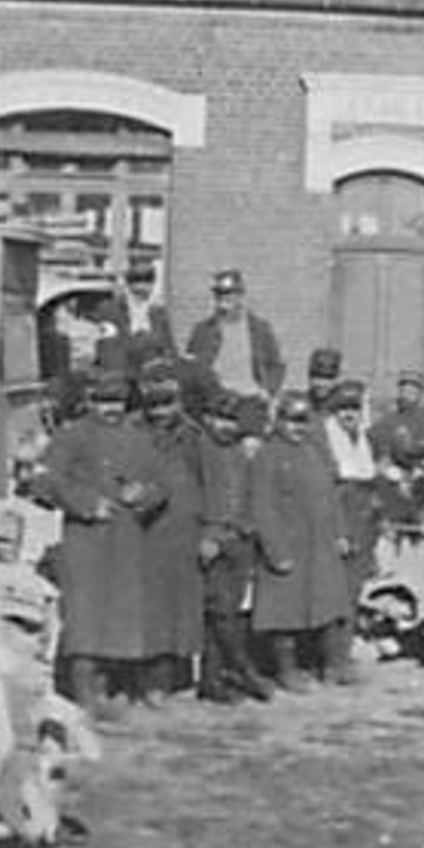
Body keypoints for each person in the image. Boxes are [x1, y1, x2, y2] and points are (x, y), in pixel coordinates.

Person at [41, 368, 167, 721]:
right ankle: (84, 693)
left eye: (117, 402)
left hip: (127, 539)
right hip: (86, 539)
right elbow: (46, 480)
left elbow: (161, 482)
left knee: (121, 616)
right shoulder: (71, 436)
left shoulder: (138, 438)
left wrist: (145, 493)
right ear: (89, 400)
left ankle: (114, 685)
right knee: (85, 614)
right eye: (103, 401)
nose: (110, 409)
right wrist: (85, 503)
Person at [250, 390, 356, 690]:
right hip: (289, 544)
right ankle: (287, 670)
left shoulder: (314, 451)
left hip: (320, 545)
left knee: (328, 606)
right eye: (292, 420)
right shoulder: (267, 455)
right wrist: (275, 550)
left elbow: (330, 496)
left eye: (304, 420)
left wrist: (340, 533)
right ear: (278, 421)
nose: (299, 427)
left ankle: (333, 666)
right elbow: (261, 507)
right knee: (284, 613)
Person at [195, 388, 274, 704]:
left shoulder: (239, 453)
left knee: (229, 611)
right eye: (220, 419)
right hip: (213, 539)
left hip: (240, 538)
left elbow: (248, 492)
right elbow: (192, 498)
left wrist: (248, 525)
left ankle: (212, 680)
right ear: (207, 419)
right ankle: (242, 667)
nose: (226, 426)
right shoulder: (199, 450)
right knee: (220, 609)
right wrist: (208, 536)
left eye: (232, 420)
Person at [135, 364, 207, 705]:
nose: (161, 413)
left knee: (182, 608)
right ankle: (151, 682)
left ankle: (178, 676)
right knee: (150, 608)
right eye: (155, 405)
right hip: (146, 531)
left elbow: (208, 480)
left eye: (168, 403)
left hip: (184, 530)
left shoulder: (195, 436)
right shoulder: (132, 431)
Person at [318, 376, 381, 621]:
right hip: (339, 519)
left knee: (354, 585)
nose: (348, 414)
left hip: (362, 523)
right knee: (335, 586)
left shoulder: (365, 440)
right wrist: (338, 532)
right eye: (342, 409)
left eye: (354, 408)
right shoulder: (326, 439)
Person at [186, 268, 286, 401]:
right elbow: (190, 367)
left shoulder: (260, 329)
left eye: (228, 292)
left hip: (250, 400)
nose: (222, 297)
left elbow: (277, 365)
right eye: (218, 293)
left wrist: (268, 390)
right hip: (216, 403)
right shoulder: (202, 330)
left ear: (240, 295)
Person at [97, 259, 177, 376]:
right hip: (123, 381)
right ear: (127, 289)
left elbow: (169, 349)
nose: (141, 301)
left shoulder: (159, 314)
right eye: (136, 294)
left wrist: (166, 364)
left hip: (154, 384)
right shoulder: (110, 311)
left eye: (146, 296)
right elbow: (108, 351)